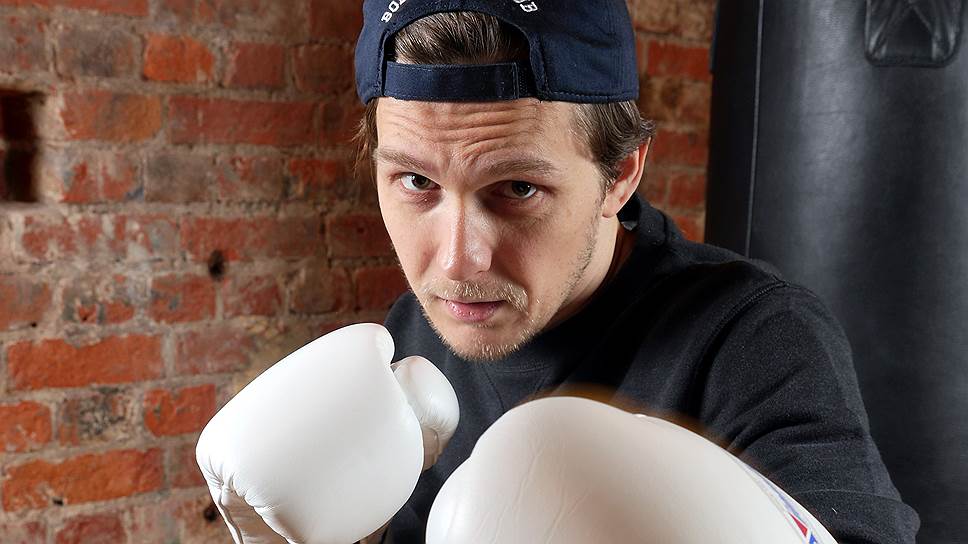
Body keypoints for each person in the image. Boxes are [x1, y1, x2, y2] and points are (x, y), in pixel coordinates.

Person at [353, 1, 920, 542]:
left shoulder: (752, 341)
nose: (457, 261)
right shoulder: (415, 331)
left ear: (621, 175)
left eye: (518, 188)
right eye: (417, 182)